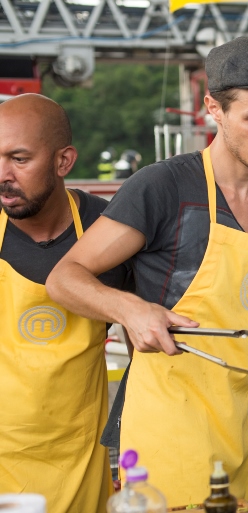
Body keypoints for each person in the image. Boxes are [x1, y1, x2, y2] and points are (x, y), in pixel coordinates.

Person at [46, 37, 248, 506]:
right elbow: (65, 277)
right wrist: (131, 309)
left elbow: (240, 317)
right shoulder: (163, 186)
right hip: (166, 426)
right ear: (213, 108)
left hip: (233, 421)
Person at [0, 94, 131, 513]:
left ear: (63, 161)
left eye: (19, 159)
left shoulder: (107, 231)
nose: (3, 175)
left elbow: (142, 340)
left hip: (80, 457)